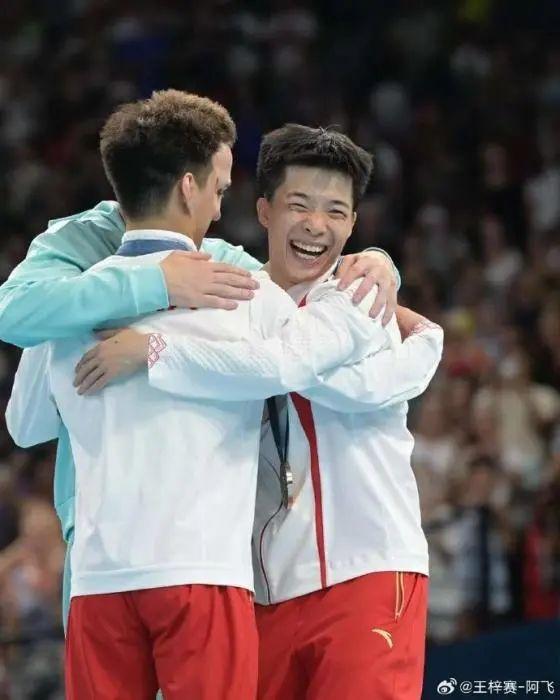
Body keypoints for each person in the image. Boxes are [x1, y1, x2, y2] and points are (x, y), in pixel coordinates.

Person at [6, 92, 402, 700]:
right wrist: (396, 302)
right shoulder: (240, 290)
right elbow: (313, 354)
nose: (220, 208)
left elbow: (26, 423)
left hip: (97, 577)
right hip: (200, 573)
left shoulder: (66, 305)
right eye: (219, 189)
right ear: (189, 189)